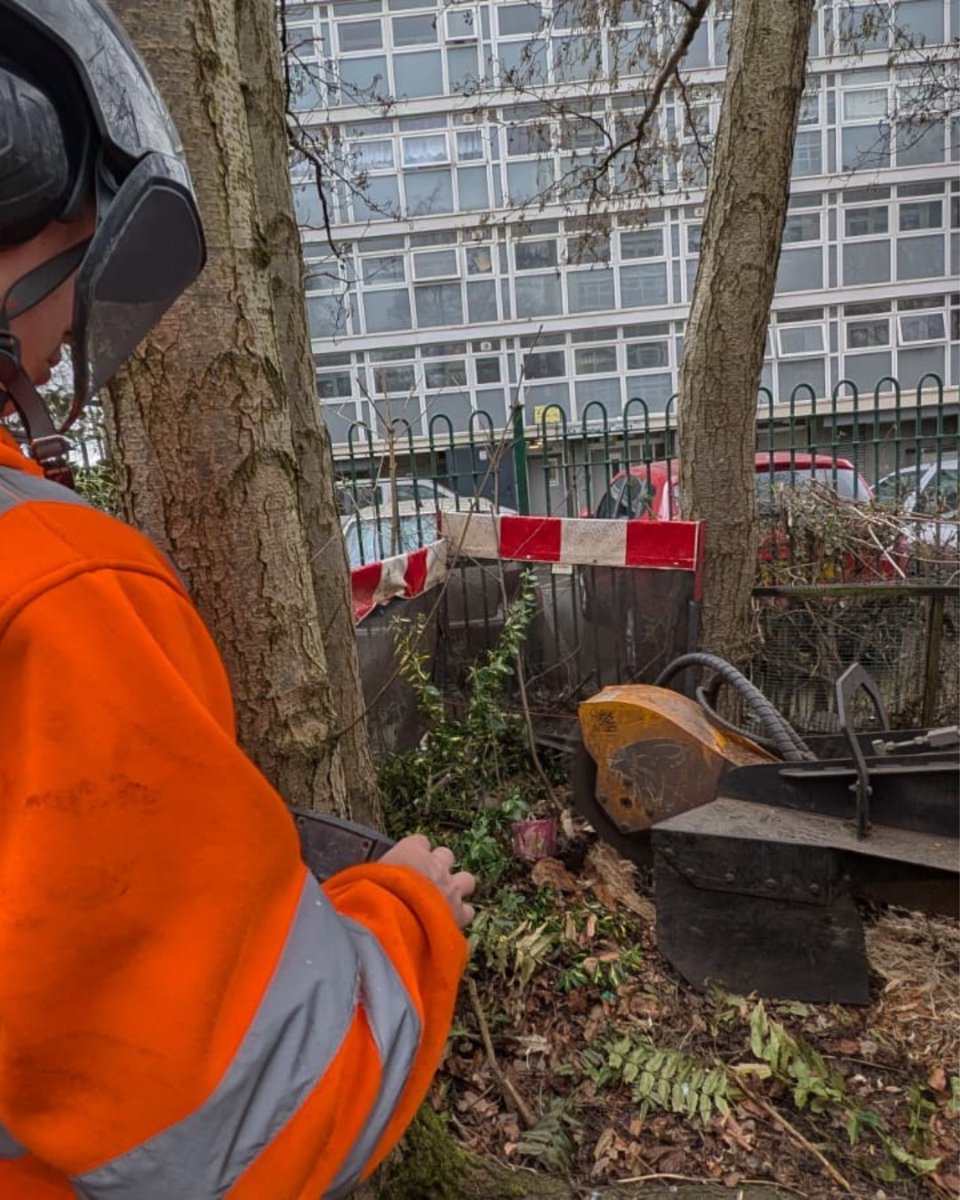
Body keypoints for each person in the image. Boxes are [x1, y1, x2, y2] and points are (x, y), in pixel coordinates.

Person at [0, 2, 475, 1197]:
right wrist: (408, 913)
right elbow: (260, 1110)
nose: (62, 341)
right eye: (77, 256)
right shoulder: (54, 585)